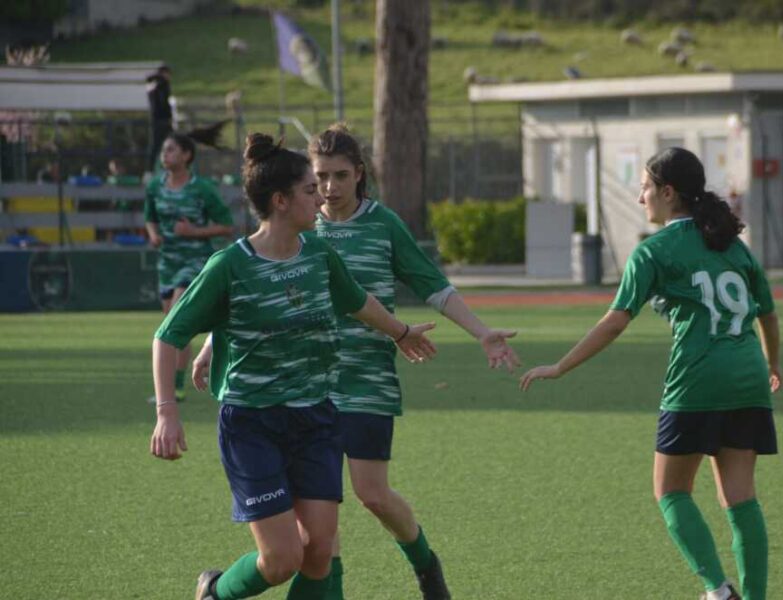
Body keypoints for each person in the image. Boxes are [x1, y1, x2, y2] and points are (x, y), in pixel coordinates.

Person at [193, 123, 519, 600]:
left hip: (366, 376)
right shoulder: (300, 222)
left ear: (359, 175)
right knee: (319, 520)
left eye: (340, 176)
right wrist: (208, 347)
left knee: (372, 495)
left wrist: (481, 332)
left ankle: (426, 564)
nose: (328, 188)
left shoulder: (383, 224)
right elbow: (244, 295)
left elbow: (432, 283)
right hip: (302, 384)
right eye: (320, 177)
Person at [150, 133, 438, 600]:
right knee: (283, 560)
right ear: (281, 201)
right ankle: (216, 592)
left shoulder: (319, 255)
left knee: (319, 550)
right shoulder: (230, 265)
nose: (321, 195)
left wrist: (401, 332)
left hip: (315, 418)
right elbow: (167, 336)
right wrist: (167, 410)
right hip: (253, 424)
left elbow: (359, 303)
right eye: (310, 189)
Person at [520, 147, 782, 600]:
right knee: (741, 499)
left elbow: (615, 321)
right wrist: (771, 364)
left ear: (667, 191)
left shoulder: (653, 251)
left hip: (697, 381)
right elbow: (768, 314)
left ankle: (718, 593)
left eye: (644, 187)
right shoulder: (732, 244)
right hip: (749, 379)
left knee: (670, 491)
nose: (640, 197)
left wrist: (561, 366)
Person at [144, 132, 235, 403]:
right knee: (170, 324)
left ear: (186, 155)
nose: (165, 155)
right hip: (167, 262)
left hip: (194, 262)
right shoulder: (155, 187)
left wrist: (193, 231)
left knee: (177, 313)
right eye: (164, 150)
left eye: (171, 150)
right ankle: (175, 381)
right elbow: (150, 217)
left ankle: (176, 386)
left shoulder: (202, 188)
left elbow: (226, 225)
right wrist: (153, 234)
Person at [146, 65, 173, 173]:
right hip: (163, 119)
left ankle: (149, 170)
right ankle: (168, 169)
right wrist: (169, 116)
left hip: (154, 119)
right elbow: (163, 103)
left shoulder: (151, 84)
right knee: (171, 145)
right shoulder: (163, 84)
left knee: (155, 146)